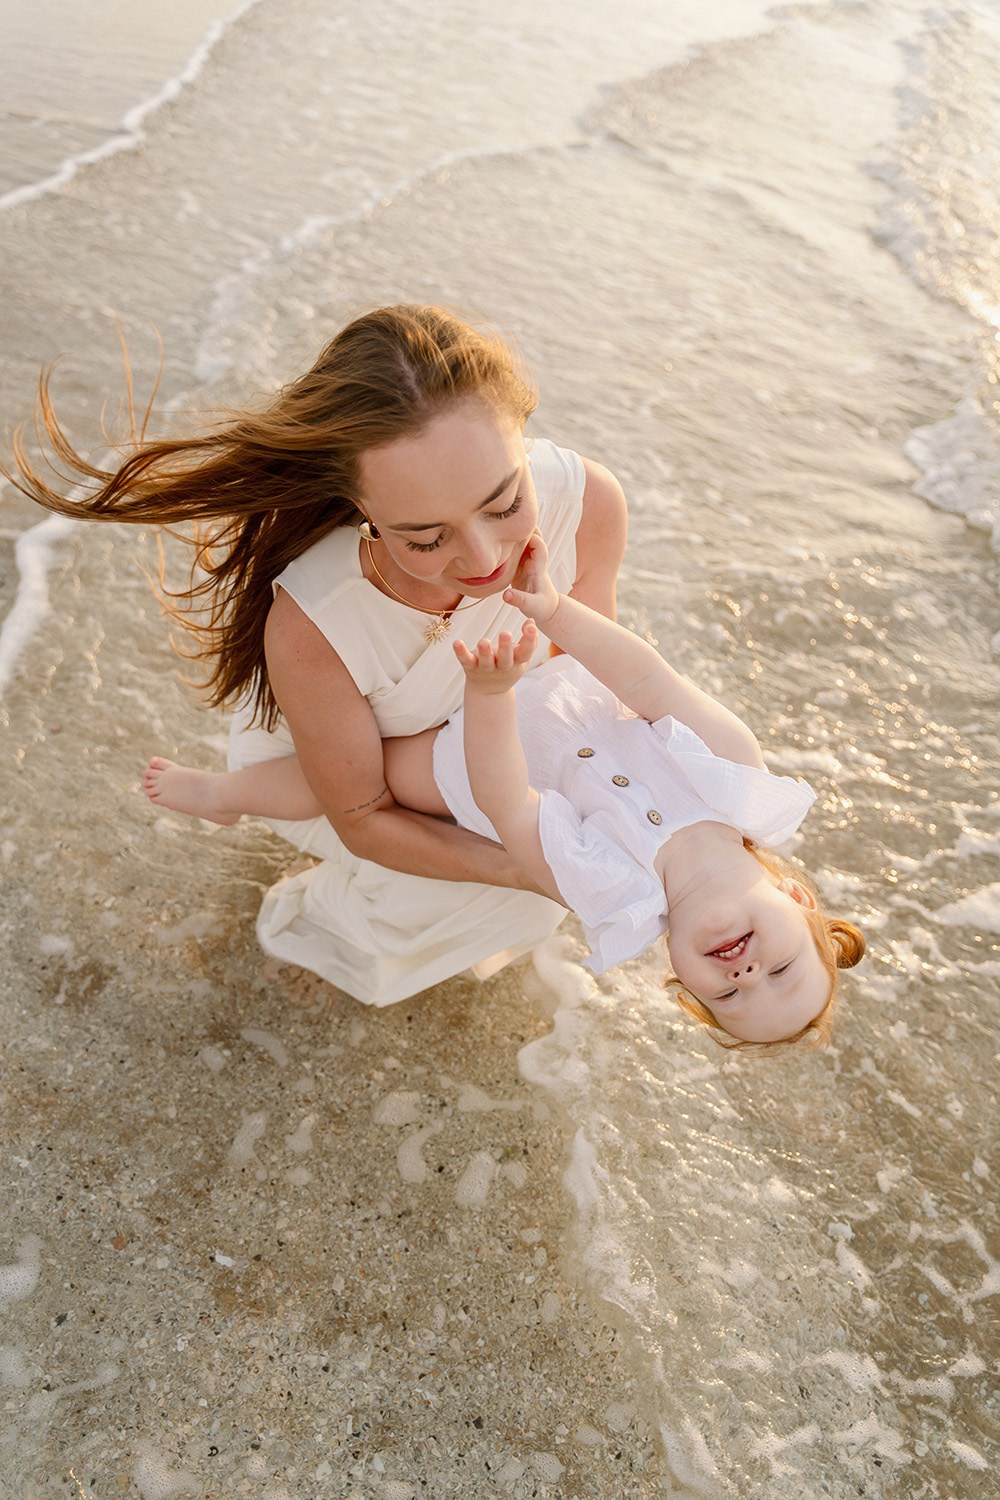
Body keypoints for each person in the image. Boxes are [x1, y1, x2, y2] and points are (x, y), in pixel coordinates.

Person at [8, 304, 627, 1003]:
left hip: (489, 743)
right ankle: (320, 925)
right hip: (332, 785)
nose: (485, 558)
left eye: (505, 502)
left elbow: (596, 683)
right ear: (360, 507)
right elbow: (363, 816)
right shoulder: (313, 623)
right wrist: (524, 868)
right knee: (516, 895)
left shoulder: (590, 501)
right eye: (425, 539)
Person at [144, 532, 865, 1049]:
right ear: (800, 905)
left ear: (683, 983)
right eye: (781, 967)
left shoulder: (614, 894)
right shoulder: (739, 779)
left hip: (475, 753)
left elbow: (507, 804)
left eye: (731, 995)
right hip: (556, 683)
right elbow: (648, 679)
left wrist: (488, 697)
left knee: (351, 776)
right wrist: (552, 610)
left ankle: (224, 794)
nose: (745, 970)